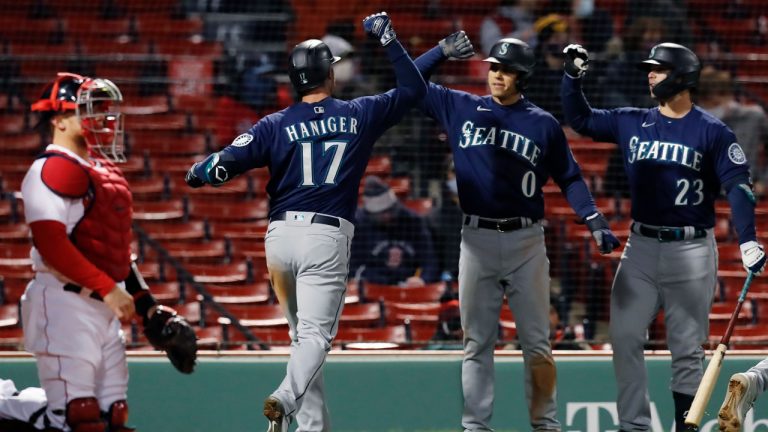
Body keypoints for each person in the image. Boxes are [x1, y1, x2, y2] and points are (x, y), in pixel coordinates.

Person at [184, 12, 426, 432]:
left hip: (279, 239)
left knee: (302, 341)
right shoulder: (358, 113)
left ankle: (312, 428)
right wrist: (389, 39)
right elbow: (412, 88)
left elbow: (219, 164)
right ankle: (286, 397)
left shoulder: (274, 124)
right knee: (315, 338)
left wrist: (201, 172)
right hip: (324, 237)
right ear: (328, 75)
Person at [414, 33, 620, 431]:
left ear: (522, 77)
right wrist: (438, 51)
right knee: (476, 344)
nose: (498, 75)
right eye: (494, 67)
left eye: (507, 70)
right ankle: (475, 426)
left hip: (526, 241)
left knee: (538, 345)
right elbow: (409, 82)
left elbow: (570, 176)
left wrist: (592, 218)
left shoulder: (542, 124)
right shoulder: (461, 106)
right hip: (475, 240)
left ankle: (545, 424)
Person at [561, 42, 767, 431]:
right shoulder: (633, 120)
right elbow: (581, 120)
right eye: (650, 69)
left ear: (682, 76)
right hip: (640, 245)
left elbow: (738, 187)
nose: (650, 74)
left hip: (691, 249)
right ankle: (634, 427)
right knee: (623, 338)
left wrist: (747, 239)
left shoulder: (712, 131)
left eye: (658, 69)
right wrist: (572, 77)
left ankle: (683, 427)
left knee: (687, 352)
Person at [8, 72, 196, 431]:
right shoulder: (49, 169)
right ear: (59, 119)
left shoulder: (101, 171)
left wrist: (148, 307)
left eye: (105, 110)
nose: (104, 118)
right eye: (91, 110)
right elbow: (51, 246)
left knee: (113, 416)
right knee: (77, 415)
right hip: (63, 303)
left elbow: (115, 253)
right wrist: (108, 288)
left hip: (102, 308)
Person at [349, 175, 439, 287]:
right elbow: (352, 267)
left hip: (408, 286)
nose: (387, 216)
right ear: (371, 213)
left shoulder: (412, 221)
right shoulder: (359, 224)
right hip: (372, 286)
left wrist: (423, 280)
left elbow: (430, 260)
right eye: (381, 213)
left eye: (390, 210)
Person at [697, 66, 768, 196]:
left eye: (714, 104)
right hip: (700, 196)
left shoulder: (754, 117)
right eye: (704, 103)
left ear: (727, 95)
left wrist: (764, 183)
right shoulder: (693, 120)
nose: (708, 109)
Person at [428, 156, 462, 281]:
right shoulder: (435, 218)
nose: (459, 176)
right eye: (454, 172)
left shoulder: (488, 212)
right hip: (447, 282)